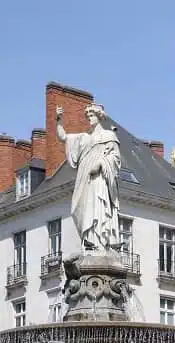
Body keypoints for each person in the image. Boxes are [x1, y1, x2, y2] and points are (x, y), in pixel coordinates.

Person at [55, 103, 122, 252]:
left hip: (100, 180)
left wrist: (100, 163)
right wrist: (59, 120)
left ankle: (99, 243)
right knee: (79, 208)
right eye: (88, 116)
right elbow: (63, 137)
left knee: (98, 208)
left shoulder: (109, 136)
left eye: (91, 116)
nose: (89, 119)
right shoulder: (84, 138)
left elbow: (116, 159)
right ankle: (89, 240)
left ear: (99, 117)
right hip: (85, 180)